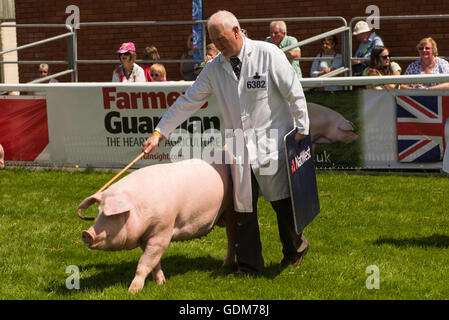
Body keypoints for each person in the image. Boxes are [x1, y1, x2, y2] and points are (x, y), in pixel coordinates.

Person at [143, 10, 310, 275]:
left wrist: (302, 128)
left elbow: (294, 91)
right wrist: (159, 133)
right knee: (243, 207)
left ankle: (295, 250)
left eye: (222, 39)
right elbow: (188, 101)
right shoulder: (214, 69)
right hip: (240, 145)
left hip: (272, 141)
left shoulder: (268, 54)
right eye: (214, 41)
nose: (218, 46)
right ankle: (248, 266)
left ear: (236, 31)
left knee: (281, 202)